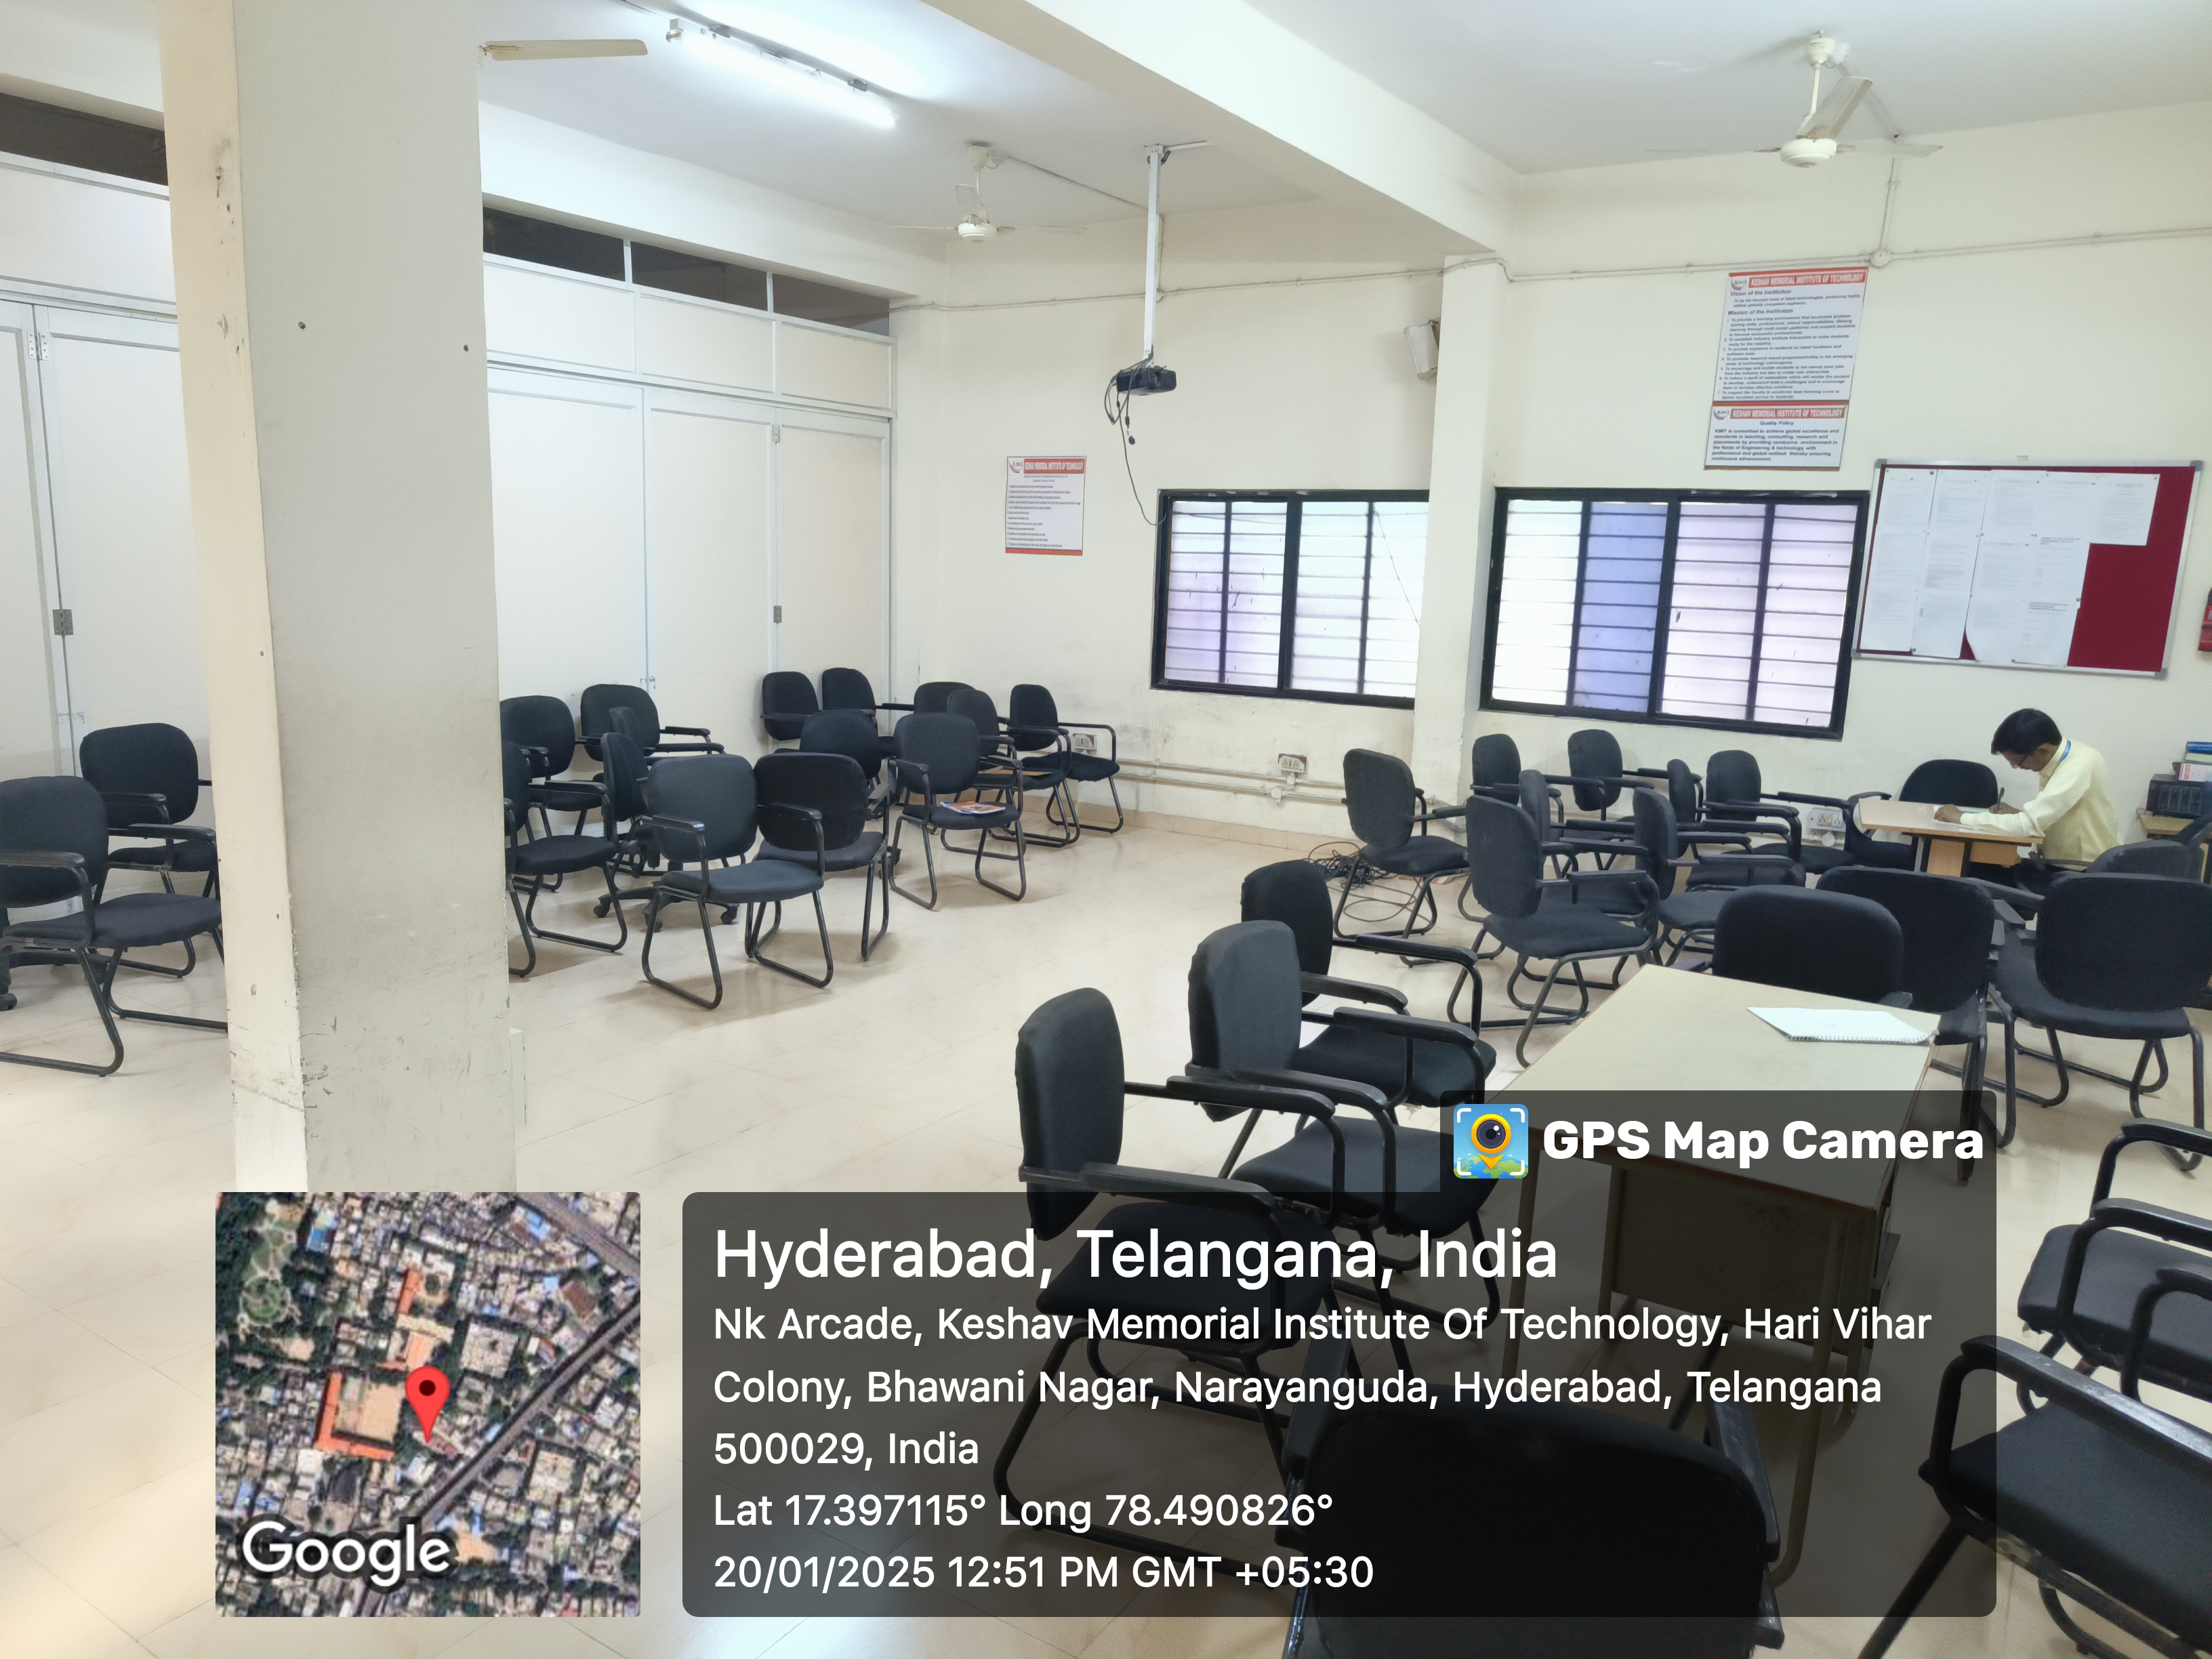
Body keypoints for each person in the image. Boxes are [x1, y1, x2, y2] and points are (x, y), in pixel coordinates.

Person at [1935, 707, 2119, 881]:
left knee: (1980, 877)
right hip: (2063, 864)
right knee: (1981, 870)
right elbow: (2057, 815)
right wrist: (2018, 814)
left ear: (2042, 751)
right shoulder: (2066, 756)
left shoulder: (2078, 765)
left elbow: (2028, 825)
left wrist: (1960, 818)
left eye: (2019, 763)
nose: (2017, 767)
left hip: (2082, 872)